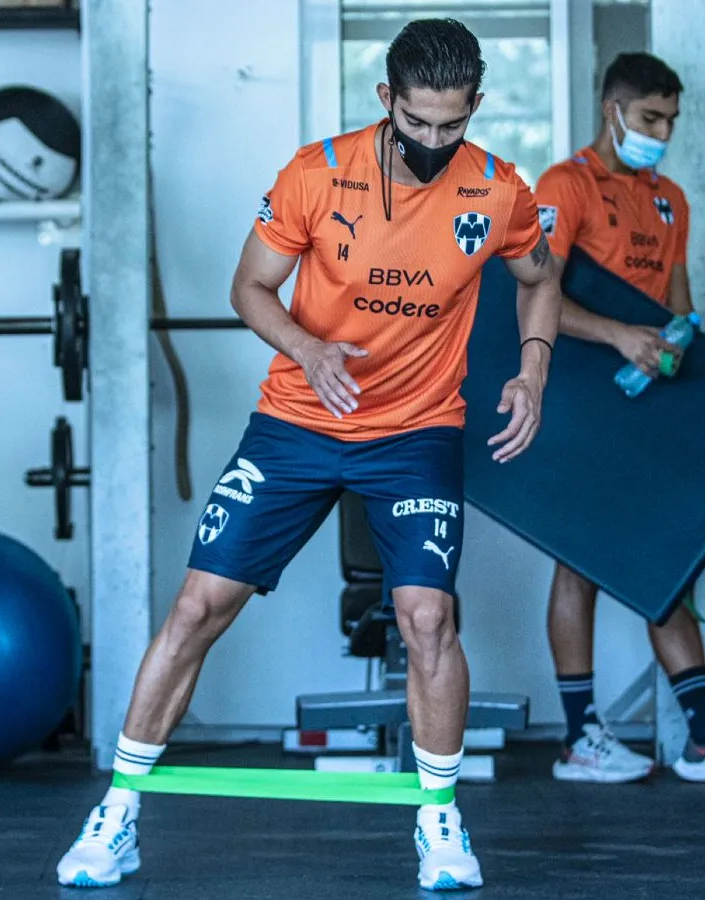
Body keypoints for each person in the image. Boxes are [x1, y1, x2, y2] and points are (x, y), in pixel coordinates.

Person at [57, 18, 561, 891]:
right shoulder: (313, 173)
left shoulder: (499, 191)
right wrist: (307, 347)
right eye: (417, 123)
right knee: (196, 608)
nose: (434, 142)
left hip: (415, 430)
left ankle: (439, 823)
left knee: (429, 618)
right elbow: (248, 287)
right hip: (298, 420)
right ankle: (118, 813)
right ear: (386, 102)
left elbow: (540, 275)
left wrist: (531, 370)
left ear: (474, 107)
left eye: (452, 124)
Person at [535, 52, 705, 785]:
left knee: (662, 552)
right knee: (580, 559)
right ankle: (579, 738)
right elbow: (533, 297)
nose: (661, 133)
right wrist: (616, 335)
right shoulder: (563, 185)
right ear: (613, 110)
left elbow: (677, 305)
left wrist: (672, 339)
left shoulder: (670, 197)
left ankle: (700, 736)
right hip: (578, 395)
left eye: (669, 120)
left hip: (648, 402)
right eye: (649, 119)